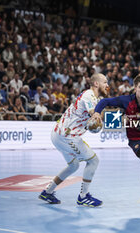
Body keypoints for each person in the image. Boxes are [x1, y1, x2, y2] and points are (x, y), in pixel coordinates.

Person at [39, 73, 109, 207]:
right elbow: (93, 114)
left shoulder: (92, 97)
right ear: (96, 84)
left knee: (74, 165)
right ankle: (83, 197)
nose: (107, 85)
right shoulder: (89, 95)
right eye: (105, 82)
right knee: (93, 161)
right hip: (67, 136)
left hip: (58, 133)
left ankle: (47, 192)